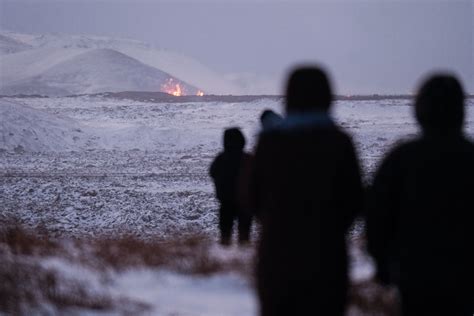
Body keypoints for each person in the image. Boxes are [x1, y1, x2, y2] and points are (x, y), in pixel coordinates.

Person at [252, 66, 363, 315]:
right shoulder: (339, 142)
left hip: (277, 257)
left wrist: (276, 223)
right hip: (327, 258)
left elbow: (251, 196)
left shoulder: (270, 143)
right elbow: (354, 199)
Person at [366, 74, 474, 315]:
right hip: (464, 278)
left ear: (420, 110)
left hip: (413, 277)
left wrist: (384, 267)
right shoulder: (470, 158)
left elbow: (376, 217)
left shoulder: (401, 159)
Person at [210, 128, 253, 245]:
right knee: (244, 235)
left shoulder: (221, 158)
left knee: (225, 234)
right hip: (245, 202)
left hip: (226, 201)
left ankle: (225, 256)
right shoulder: (247, 158)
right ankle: (243, 257)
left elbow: (212, 172)